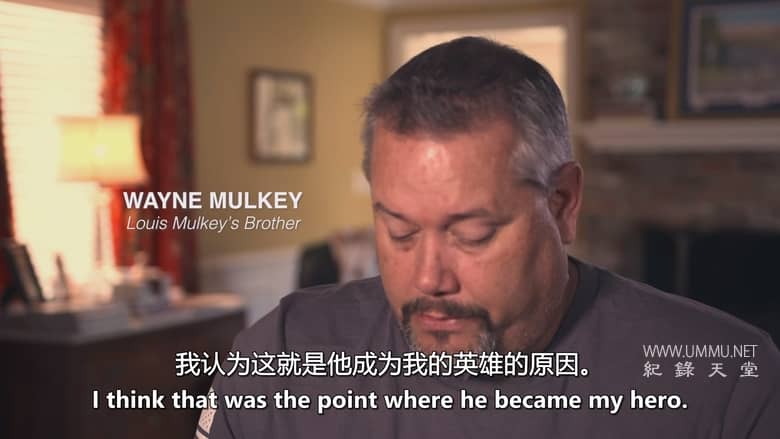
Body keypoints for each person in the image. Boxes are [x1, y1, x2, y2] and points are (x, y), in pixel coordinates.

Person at [197, 37, 780, 438]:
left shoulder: (726, 384)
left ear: (562, 203)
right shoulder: (280, 357)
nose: (428, 278)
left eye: (472, 235)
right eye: (399, 230)